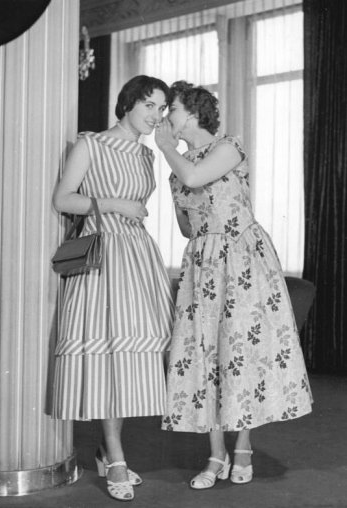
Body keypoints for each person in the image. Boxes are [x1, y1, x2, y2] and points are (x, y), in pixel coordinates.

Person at [155, 81, 313, 489]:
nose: (164, 116)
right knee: (206, 353)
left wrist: (167, 149)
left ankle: (242, 446)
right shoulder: (179, 165)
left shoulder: (229, 146)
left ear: (191, 113)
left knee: (240, 348)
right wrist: (176, 166)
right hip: (204, 265)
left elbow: (194, 176)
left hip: (242, 258)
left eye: (169, 108)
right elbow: (188, 227)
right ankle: (215, 453)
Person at [52, 75, 174, 501]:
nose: (157, 116)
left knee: (129, 361)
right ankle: (117, 457)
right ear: (128, 103)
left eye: (162, 109)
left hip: (138, 257)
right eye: (151, 106)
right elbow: (64, 199)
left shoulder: (147, 156)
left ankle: (109, 448)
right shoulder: (91, 145)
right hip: (102, 256)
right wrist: (113, 204)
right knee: (106, 356)